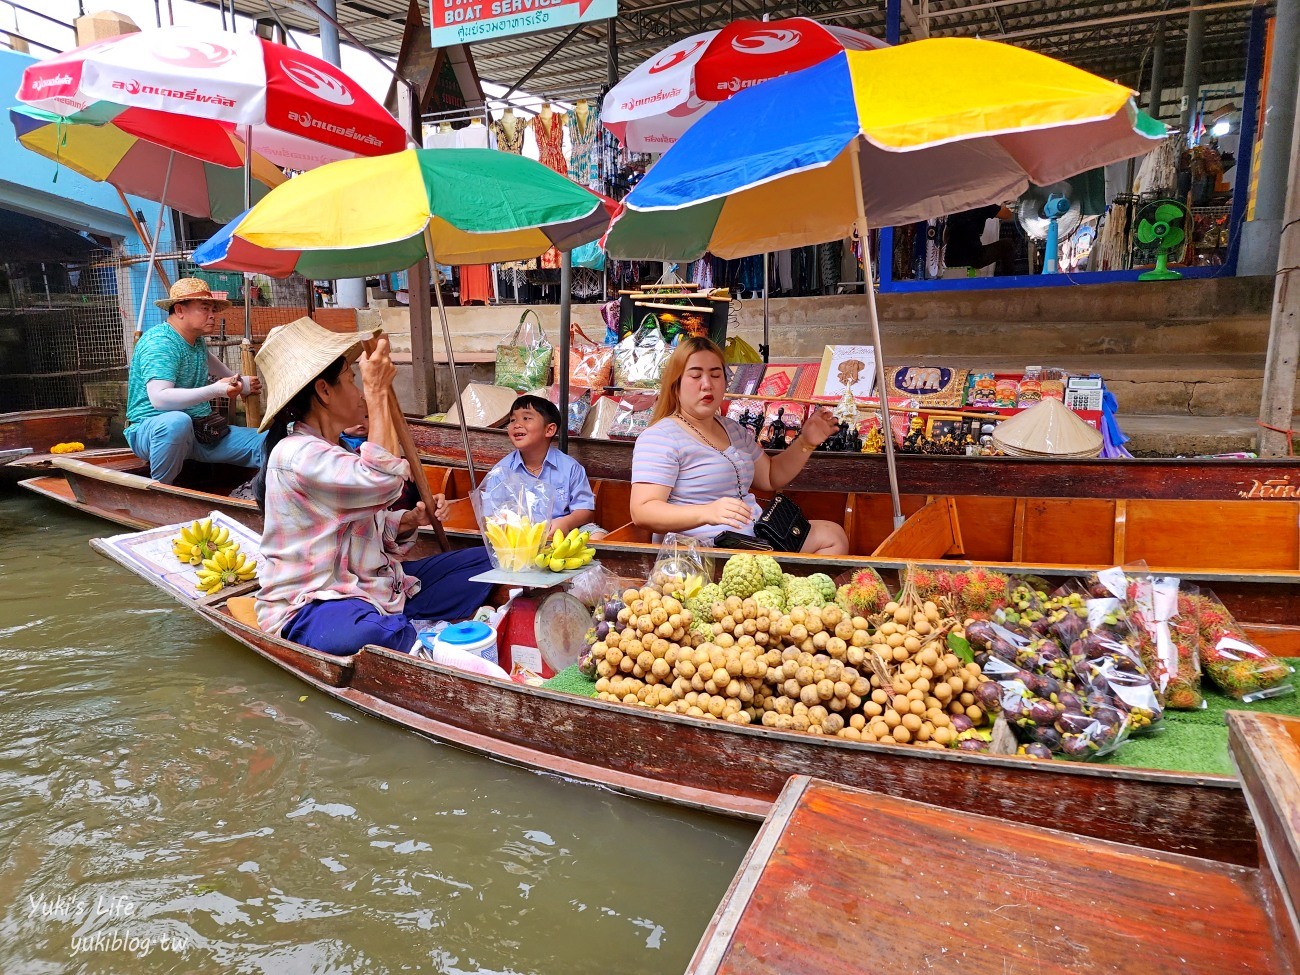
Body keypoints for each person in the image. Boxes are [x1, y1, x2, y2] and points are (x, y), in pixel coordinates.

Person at [253, 317, 495, 656]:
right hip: (317, 602)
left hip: (378, 586)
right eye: (350, 381)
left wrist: (410, 521)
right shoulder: (295, 454)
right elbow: (380, 483)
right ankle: (407, 634)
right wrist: (378, 391)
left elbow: (366, 530)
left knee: (491, 562)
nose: (357, 392)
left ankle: (404, 628)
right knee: (361, 632)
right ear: (324, 391)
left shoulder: (337, 450)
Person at [629, 336, 849, 554]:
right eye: (696, 375)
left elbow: (770, 476)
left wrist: (806, 442)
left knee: (832, 536)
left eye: (716, 375)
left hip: (755, 535)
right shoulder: (660, 437)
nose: (707, 384)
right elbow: (643, 511)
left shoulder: (731, 428)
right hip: (704, 548)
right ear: (675, 385)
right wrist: (707, 512)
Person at [124, 278, 264, 484]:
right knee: (177, 422)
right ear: (179, 310)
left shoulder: (195, 340)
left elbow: (211, 362)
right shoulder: (160, 342)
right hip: (153, 432)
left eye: (213, 310)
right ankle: (162, 492)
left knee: (269, 442)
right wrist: (216, 390)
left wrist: (240, 383)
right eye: (205, 308)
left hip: (203, 431)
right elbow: (160, 399)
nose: (212, 316)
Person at [480, 395, 600, 536]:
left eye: (526, 418)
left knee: (598, 535)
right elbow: (490, 515)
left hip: (564, 530)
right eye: (512, 420)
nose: (516, 424)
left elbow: (585, 510)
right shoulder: (501, 471)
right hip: (519, 536)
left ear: (549, 430)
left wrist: (566, 523)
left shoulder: (570, 468)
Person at [944, 204, 1015, 275]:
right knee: (1008, 245)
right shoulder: (981, 203)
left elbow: (945, 237)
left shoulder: (956, 207)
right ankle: (1009, 281)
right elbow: (1007, 215)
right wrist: (1002, 205)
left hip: (950, 259)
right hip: (973, 258)